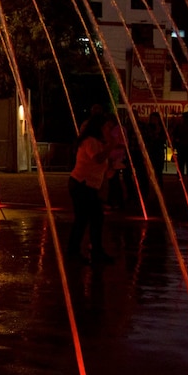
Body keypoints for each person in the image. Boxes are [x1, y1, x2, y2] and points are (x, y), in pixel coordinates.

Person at [67, 113, 119, 265]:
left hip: (86, 186)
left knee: (93, 219)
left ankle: (91, 251)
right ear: (100, 127)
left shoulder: (96, 142)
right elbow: (97, 158)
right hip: (81, 185)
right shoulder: (90, 142)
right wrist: (110, 146)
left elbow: (100, 165)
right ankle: (77, 252)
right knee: (86, 219)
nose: (110, 130)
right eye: (108, 127)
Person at [171, 111, 188, 181]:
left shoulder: (181, 126)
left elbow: (175, 135)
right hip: (186, 146)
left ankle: (183, 176)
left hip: (184, 146)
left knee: (183, 163)